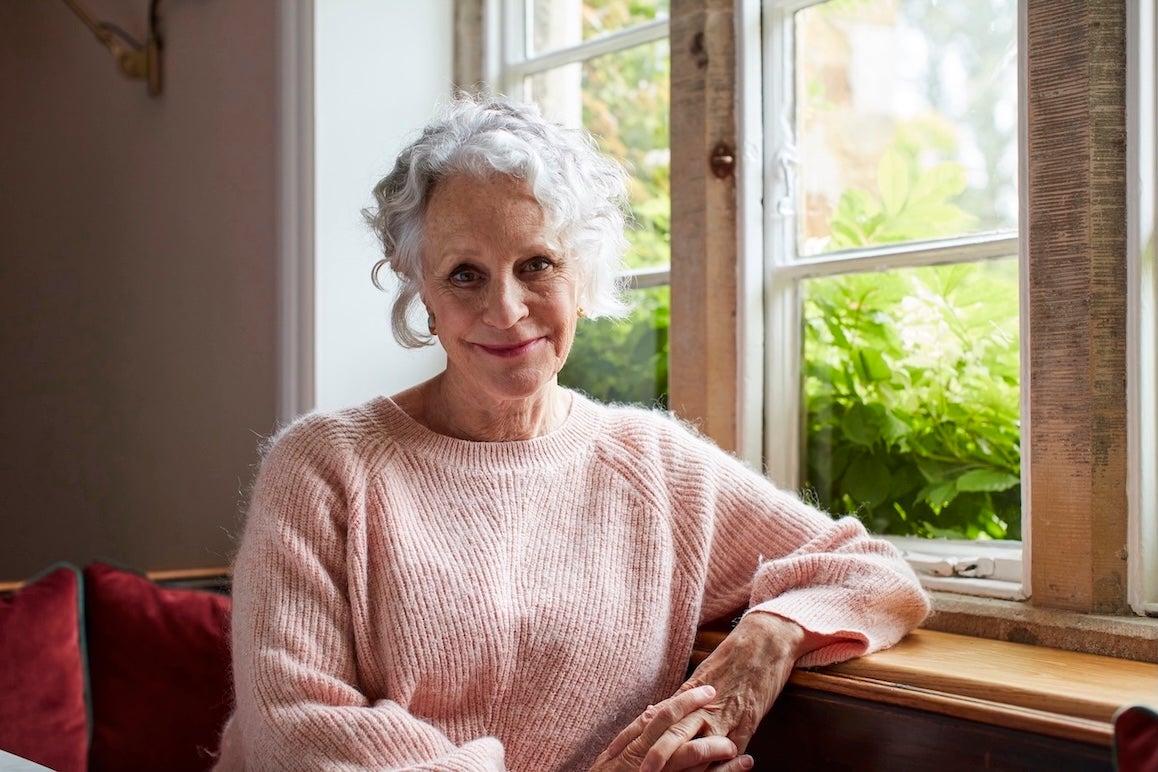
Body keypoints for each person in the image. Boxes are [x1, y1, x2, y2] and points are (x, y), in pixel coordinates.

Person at [213, 96, 930, 771]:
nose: (506, 308)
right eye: (465, 275)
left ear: (583, 276)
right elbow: (296, 728)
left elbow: (870, 574)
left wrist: (770, 636)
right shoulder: (323, 466)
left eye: (537, 265)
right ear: (419, 290)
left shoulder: (652, 466)